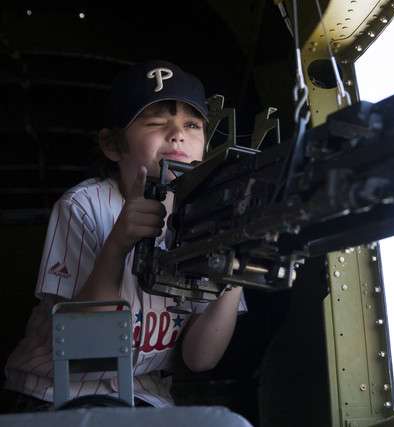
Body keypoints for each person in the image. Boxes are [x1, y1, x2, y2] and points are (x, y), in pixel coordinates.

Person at [2, 60, 246, 410]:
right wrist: (118, 242)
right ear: (113, 145)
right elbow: (87, 348)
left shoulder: (214, 218)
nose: (177, 134)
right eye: (155, 122)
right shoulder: (84, 205)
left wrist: (235, 270)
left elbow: (200, 359)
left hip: (143, 398)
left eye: (192, 124)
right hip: (52, 393)